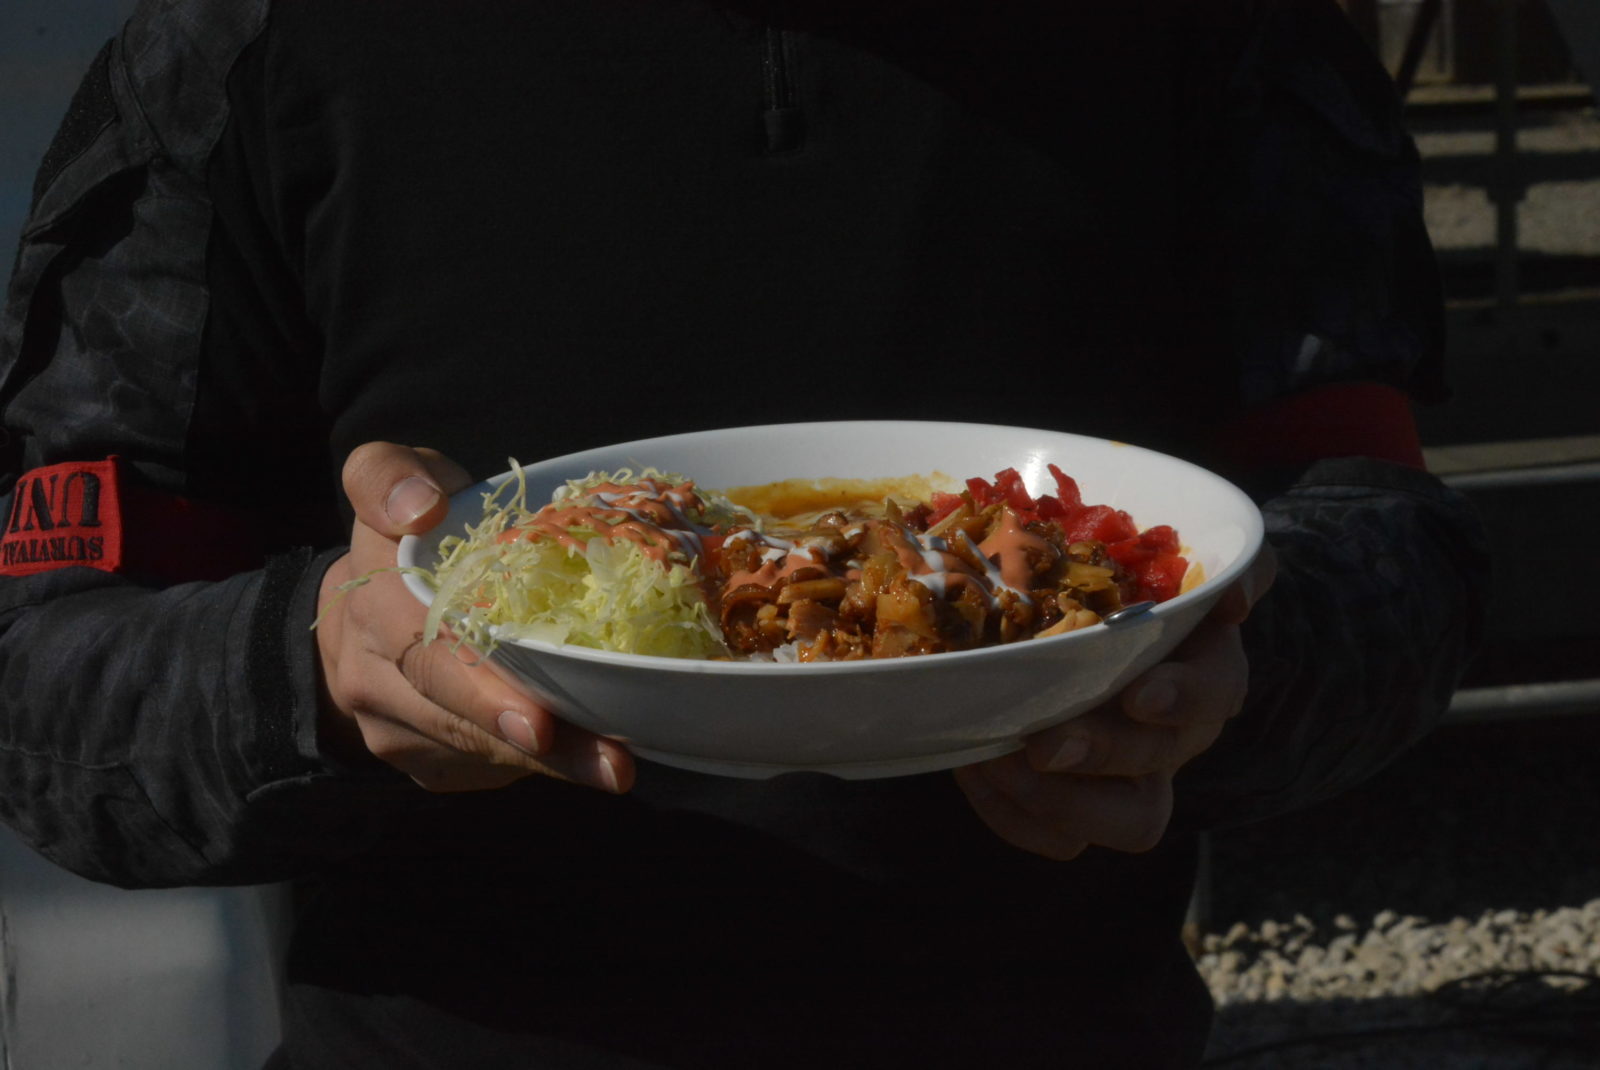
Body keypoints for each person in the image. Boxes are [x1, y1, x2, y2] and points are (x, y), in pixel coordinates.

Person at [0, 0, 1487, 1066]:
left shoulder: (1221, 31)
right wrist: (319, 666)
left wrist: (1235, 670)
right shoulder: (248, 41)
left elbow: (1392, 541)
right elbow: (42, 678)